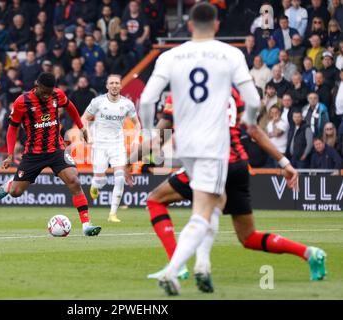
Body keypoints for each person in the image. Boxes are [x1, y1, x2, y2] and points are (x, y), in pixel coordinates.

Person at [138, 89, 325, 292]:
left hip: (210, 163)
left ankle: (179, 266)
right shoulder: (232, 92)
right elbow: (254, 132)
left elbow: (159, 137)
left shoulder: (184, 89)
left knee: (160, 201)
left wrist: (125, 160)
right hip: (238, 167)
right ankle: (309, 253)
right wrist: (284, 162)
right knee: (248, 237)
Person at [138, 3, 261, 296]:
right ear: (217, 25)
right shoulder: (231, 53)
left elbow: (145, 99)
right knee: (205, 209)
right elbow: (253, 100)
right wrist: (251, 122)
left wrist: (148, 135)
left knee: (216, 201)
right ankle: (173, 270)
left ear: (190, 26)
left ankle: (203, 265)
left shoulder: (170, 55)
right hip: (214, 145)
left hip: (185, 144)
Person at [0, 72, 101, 237]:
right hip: (33, 153)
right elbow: (12, 127)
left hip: (56, 149)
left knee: (74, 180)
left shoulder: (57, 95)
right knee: (16, 193)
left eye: (49, 93)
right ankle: (11, 183)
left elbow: (71, 107)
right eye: (44, 92)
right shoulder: (22, 102)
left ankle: (86, 225)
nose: (47, 96)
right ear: (36, 85)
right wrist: (10, 154)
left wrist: (81, 127)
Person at [81, 74, 140, 222]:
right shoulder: (97, 102)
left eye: (117, 83)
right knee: (100, 180)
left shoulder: (127, 104)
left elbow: (137, 123)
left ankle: (112, 214)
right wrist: (87, 133)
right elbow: (84, 118)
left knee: (119, 178)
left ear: (120, 86)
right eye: (111, 83)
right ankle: (95, 185)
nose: (114, 85)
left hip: (117, 145)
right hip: (100, 145)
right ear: (107, 86)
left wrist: (135, 139)